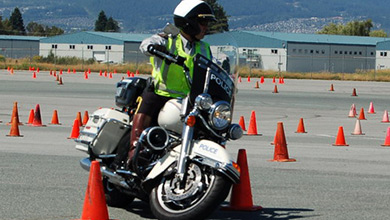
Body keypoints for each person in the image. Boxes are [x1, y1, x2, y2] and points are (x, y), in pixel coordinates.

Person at [113, 0, 216, 171]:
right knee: (145, 110)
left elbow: (212, 67)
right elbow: (146, 44)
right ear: (188, 22)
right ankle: (132, 155)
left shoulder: (204, 48)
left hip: (188, 99)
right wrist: (153, 48)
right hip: (161, 93)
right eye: (202, 23)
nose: (206, 27)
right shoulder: (168, 39)